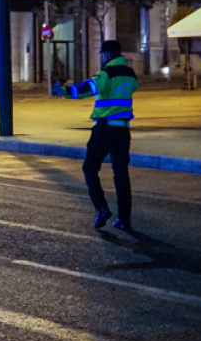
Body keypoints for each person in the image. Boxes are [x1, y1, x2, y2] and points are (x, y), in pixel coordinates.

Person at [54, 40, 139, 231]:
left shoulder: (106, 73)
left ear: (107, 55)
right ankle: (124, 219)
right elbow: (132, 88)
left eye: (102, 55)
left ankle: (102, 208)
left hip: (104, 129)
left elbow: (87, 89)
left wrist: (64, 91)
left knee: (90, 168)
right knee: (121, 175)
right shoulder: (130, 74)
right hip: (123, 130)